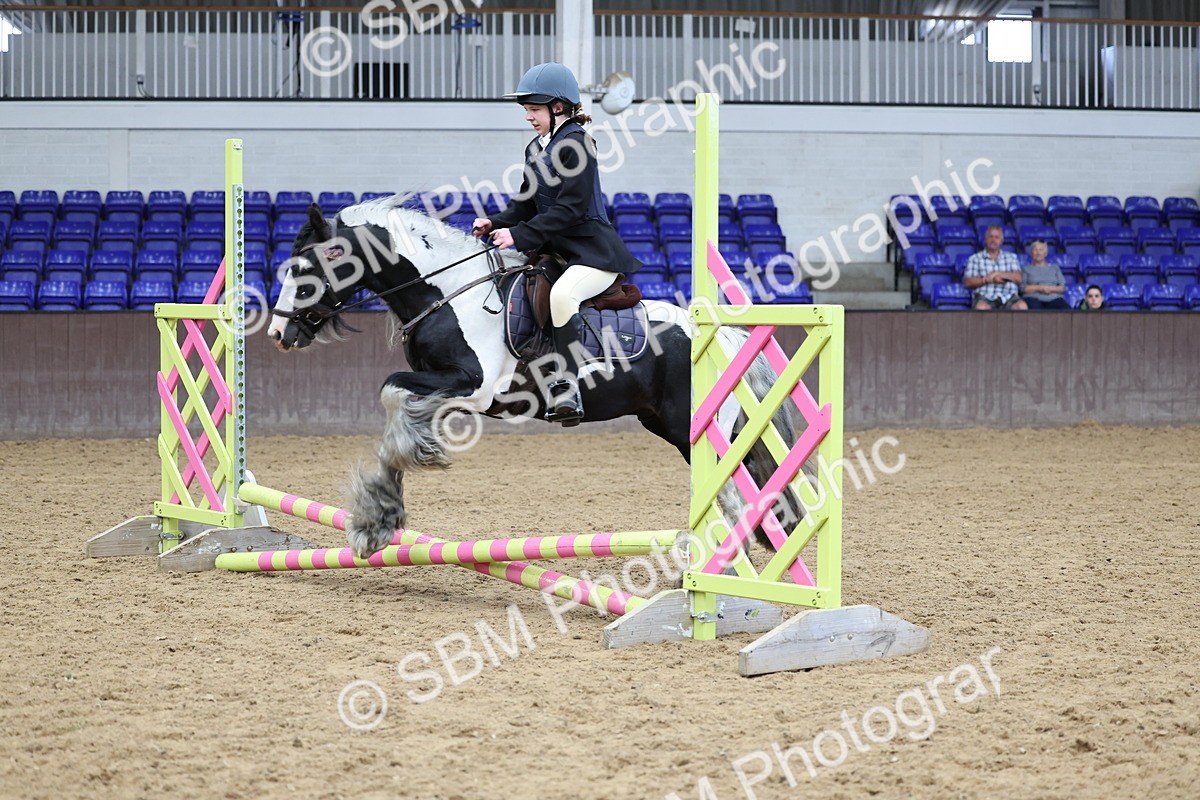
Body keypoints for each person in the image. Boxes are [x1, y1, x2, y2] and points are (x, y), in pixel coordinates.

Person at [473, 62, 642, 426]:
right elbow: (525, 203)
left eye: (534, 110)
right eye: (527, 110)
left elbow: (569, 208)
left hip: (592, 253)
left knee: (562, 296)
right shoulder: (536, 148)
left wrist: (519, 236)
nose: (529, 117)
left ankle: (567, 385)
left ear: (559, 107)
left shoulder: (578, 144)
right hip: (559, 252)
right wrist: (497, 222)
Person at [963, 225, 1027, 310]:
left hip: (1009, 297)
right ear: (986, 239)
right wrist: (986, 280)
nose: (993, 240)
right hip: (985, 297)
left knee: (1022, 306)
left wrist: (998, 274)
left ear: (1001, 241)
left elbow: (1018, 278)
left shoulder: (1011, 257)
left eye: (997, 237)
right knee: (981, 307)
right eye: (991, 237)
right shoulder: (975, 258)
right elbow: (968, 282)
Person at [1020, 240, 1069, 309]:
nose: (1038, 253)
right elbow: (1023, 288)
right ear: (1031, 253)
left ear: (1045, 253)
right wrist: (1040, 288)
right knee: (1035, 308)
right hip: (1033, 298)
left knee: (1066, 308)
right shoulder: (1025, 269)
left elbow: (1062, 288)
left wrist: (1049, 289)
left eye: (1041, 250)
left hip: (1054, 298)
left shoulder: (1054, 268)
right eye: (1035, 250)